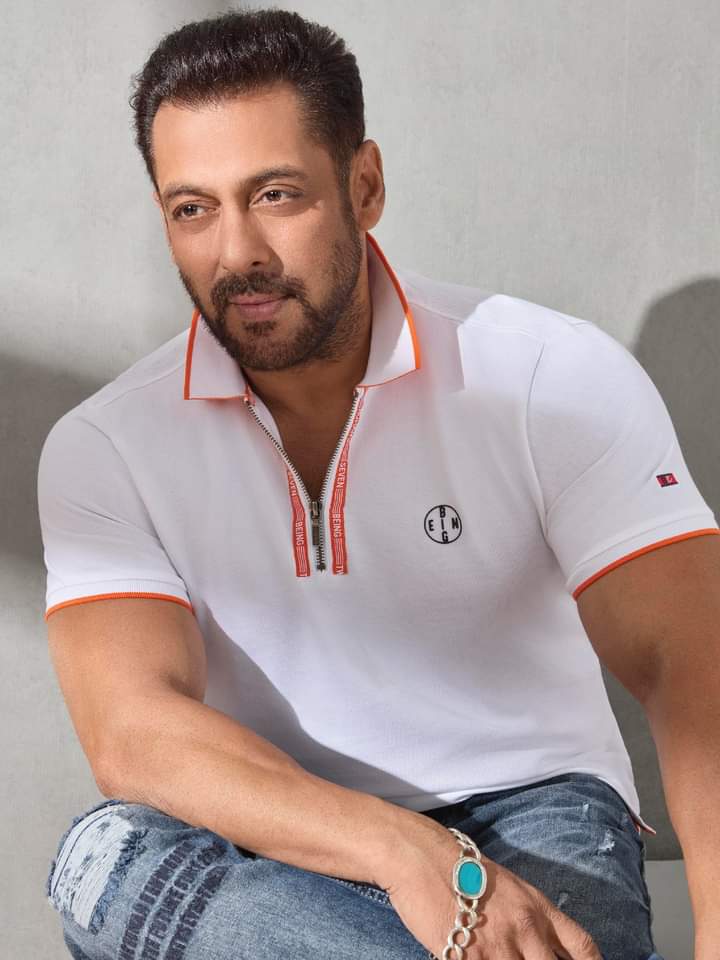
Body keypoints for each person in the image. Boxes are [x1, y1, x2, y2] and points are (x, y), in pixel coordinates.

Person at [38, 9, 720, 960]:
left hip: (530, 812)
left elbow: (693, 668)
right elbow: (135, 733)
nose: (236, 254)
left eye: (276, 194)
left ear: (364, 185)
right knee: (103, 856)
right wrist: (404, 855)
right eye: (192, 209)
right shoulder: (106, 443)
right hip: (272, 835)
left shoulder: (550, 374)